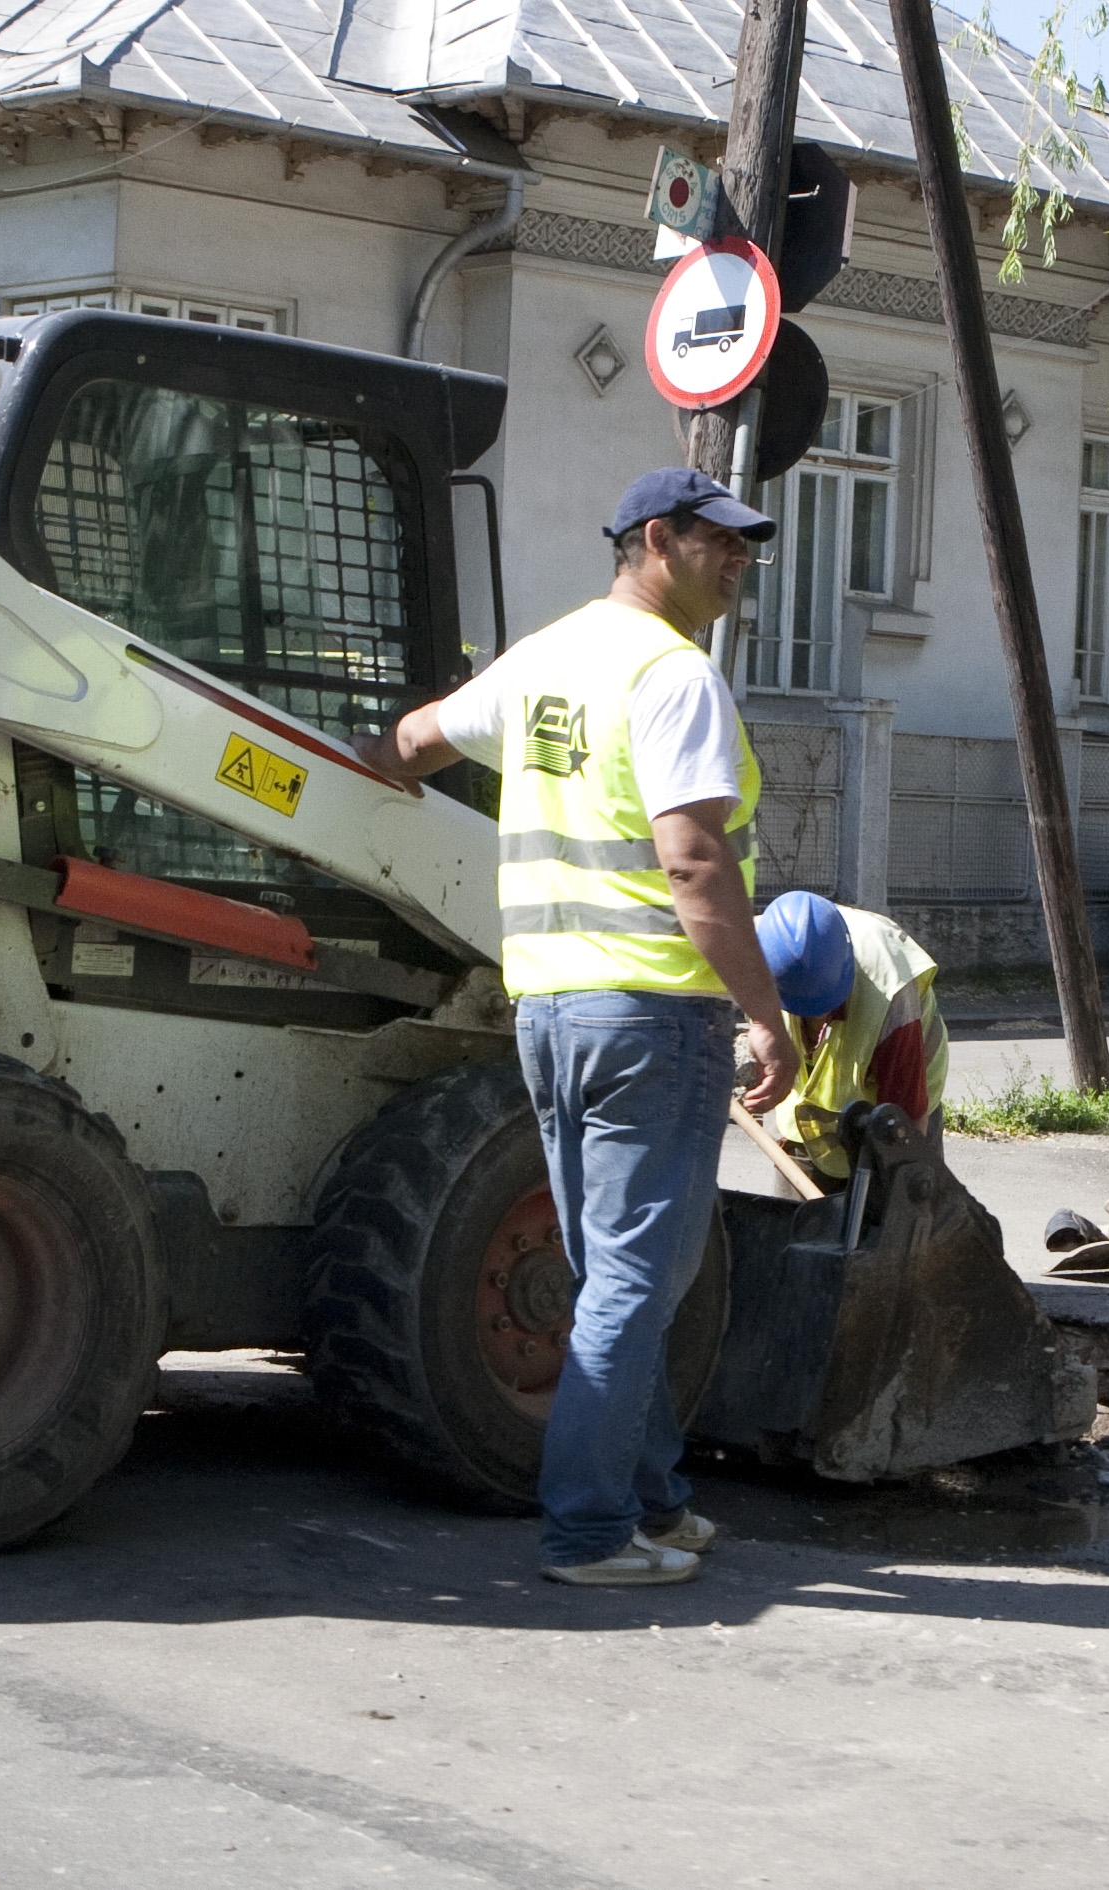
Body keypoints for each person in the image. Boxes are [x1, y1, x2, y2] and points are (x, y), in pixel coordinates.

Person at [355, 466, 801, 1586]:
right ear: (654, 540)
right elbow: (692, 860)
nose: (739, 560)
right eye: (719, 541)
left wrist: (359, 770)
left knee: (615, 1274)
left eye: (746, 545)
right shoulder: (673, 673)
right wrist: (766, 1015)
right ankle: (591, 1533)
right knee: (637, 1282)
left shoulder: (543, 659)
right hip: (652, 1010)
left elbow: (416, 740)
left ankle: (654, 1502)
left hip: (551, 1008)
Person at [753, 891, 949, 1181]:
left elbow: (905, 1118)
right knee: (797, 1208)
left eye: (822, 1008)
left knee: (900, 1198)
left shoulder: (889, 992)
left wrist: (900, 1186)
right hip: (804, 1115)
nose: (815, 1019)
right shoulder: (754, 948)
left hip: (897, 1095)